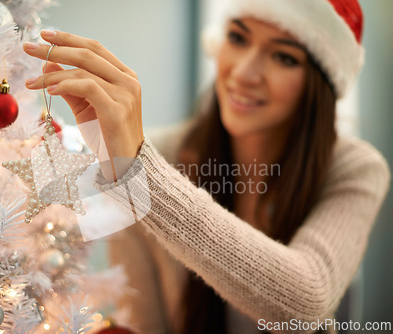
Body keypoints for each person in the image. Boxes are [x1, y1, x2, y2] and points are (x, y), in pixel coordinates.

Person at [23, 0, 390, 333]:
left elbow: (306, 303)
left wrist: (139, 172)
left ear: (319, 85)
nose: (245, 72)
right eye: (237, 37)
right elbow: (148, 324)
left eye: (284, 57)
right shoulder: (157, 154)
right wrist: (133, 170)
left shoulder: (355, 169)